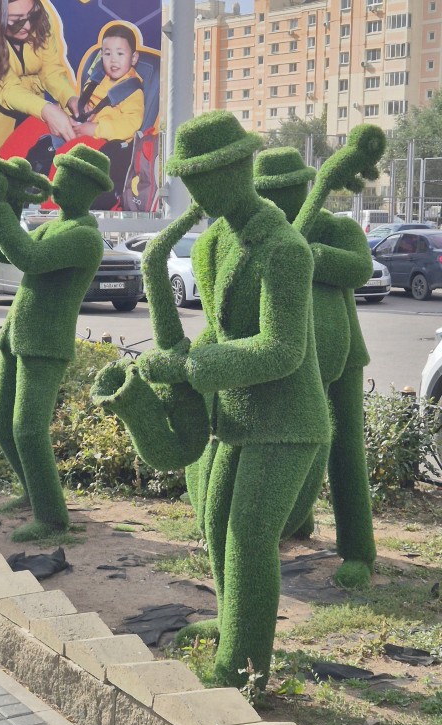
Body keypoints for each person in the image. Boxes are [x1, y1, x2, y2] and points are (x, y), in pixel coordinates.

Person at [136, 111, 330, 687]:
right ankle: (231, 624)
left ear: (240, 167)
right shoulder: (214, 242)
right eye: (189, 178)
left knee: (249, 536)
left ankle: (246, 670)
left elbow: (282, 349)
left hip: (288, 422)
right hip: (236, 417)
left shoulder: (284, 248)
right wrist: (180, 352)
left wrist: (192, 367)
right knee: (216, 521)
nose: (196, 191)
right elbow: (220, 332)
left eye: (206, 175)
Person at [254, 147, 377, 588]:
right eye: (268, 192)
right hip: (288, 353)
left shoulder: (335, 227)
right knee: (290, 438)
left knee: (345, 447)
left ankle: (358, 549)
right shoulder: (262, 233)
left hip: (343, 353)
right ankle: (298, 520)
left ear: (307, 186)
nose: (278, 199)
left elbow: (360, 269)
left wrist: (308, 253)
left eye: (288, 189)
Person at [0, 144, 113, 542]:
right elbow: (1, 250)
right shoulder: (53, 227)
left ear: (87, 188)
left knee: (28, 429)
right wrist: (10, 201)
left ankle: (52, 518)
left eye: (66, 177)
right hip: (17, 333)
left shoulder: (84, 237)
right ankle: (32, 492)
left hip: (45, 342)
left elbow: (30, 259)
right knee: (1, 424)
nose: (56, 182)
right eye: (58, 173)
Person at [49, 22, 145, 209]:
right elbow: (86, 105)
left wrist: (96, 129)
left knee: (68, 154)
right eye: (107, 54)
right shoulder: (97, 78)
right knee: (37, 123)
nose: (113, 60)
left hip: (104, 142)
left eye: (120, 54)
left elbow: (131, 124)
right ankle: (8, 167)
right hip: (83, 126)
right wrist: (69, 113)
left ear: (133, 58)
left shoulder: (132, 90)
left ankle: (52, 201)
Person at [0, 0, 79, 157]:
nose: (28, 26)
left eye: (32, 15)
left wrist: (69, 97)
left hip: (33, 117)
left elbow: (51, 70)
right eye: (16, 20)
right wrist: (46, 110)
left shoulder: (41, 18)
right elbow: (5, 87)